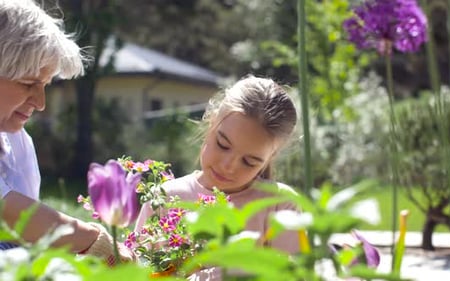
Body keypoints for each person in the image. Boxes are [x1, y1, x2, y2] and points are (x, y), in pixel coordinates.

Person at [0, 0, 133, 264]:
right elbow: (10, 213)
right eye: (28, 84)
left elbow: (30, 234)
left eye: (45, 85)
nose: (40, 103)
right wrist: (92, 239)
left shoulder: (17, 141)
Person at [134, 75, 301, 279]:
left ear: (270, 157)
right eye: (222, 144)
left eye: (249, 161)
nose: (228, 166)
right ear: (211, 122)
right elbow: (137, 272)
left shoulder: (280, 205)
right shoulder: (165, 199)